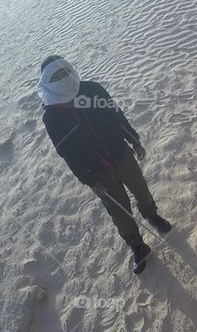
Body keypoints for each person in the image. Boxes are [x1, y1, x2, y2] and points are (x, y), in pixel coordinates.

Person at [38, 55, 172, 274]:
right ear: (47, 82)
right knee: (119, 212)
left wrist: (135, 141)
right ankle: (137, 245)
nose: (64, 77)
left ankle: (152, 215)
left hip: (122, 155)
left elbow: (116, 115)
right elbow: (67, 152)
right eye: (57, 76)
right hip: (99, 173)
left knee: (141, 190)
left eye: (65, 71)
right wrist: (90, 181)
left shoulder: (92, 89)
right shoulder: (51, 116)